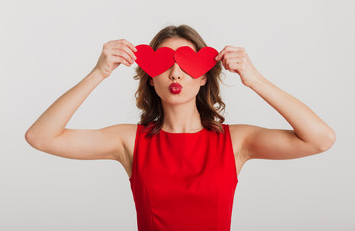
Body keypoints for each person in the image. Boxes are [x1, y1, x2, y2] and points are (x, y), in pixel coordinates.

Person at [25, 24, 336, 231]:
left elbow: (321, 139)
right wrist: (98, 72)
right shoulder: (130, 141)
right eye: (164, 64)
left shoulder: (235, 141)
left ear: (203, 77)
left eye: (187, 65)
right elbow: (40, 137)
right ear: (149, 76)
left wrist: (254, 79)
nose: (176, 74)